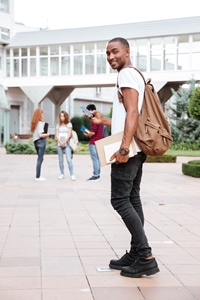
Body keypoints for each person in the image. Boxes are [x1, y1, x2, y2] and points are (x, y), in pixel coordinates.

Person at [89, 37, 160, 278]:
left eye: (115, 51)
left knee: (119, 200)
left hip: (129, 150)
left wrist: (122, 148)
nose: (110, 57)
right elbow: (129, 115)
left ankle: (145, 255)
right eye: (107, 53)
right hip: (137, 147)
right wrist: (104, 121)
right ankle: (136, 253)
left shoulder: (126, 75)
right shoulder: (135, 75)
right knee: (132, 198)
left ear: (127, 51)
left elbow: (132, 113)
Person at [84, 104, 104, 182]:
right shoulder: (100, 118)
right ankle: (97, 175)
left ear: (92, 110)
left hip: (94, 142)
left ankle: (95, 176)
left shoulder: (94, 119)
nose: (86, 114)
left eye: (87, 111)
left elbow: (93, 132)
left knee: (95, 159)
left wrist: (87, 134)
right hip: (99, 141)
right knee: (97, 159)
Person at [55, 111, 75, 181]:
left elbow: (69, 134)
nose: (62, 117)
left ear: (65, 117)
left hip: (67, 143)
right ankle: (62, 174)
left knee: (69, 160)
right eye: (61, 116)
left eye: (63, 116)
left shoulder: (69, 124)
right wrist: (60, 142)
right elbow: (57, 134)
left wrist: (64, 141)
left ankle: (72, 175)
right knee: (60, 160)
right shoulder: (58, 125)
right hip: (59, 144)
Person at [30, 108, 49, 181]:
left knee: (39, 159)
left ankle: (38, 175)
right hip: (41, 141)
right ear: (39, 114)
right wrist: (47, 134)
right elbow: (40, 135)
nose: (43, 115)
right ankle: (38, 176)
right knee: (40, 159)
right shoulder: (40, 123)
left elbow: (35, 135)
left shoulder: (34, 124)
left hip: (35, 142)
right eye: (42, 114)